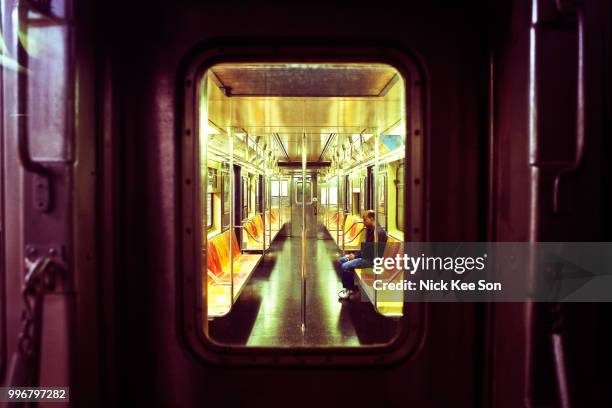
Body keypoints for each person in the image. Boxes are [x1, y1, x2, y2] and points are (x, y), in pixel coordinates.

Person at [337, 210, 388, 300]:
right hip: (367, 256)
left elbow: (372, 253)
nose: (363, 222)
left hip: (372, 261)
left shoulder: (378, 233)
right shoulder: (371, 229)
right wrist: (355, 255)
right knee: (341, 260)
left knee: (345, 266)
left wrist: (356, 256)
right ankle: (351, 287)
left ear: (371, 218)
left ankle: (350, 290)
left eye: (365, 219)